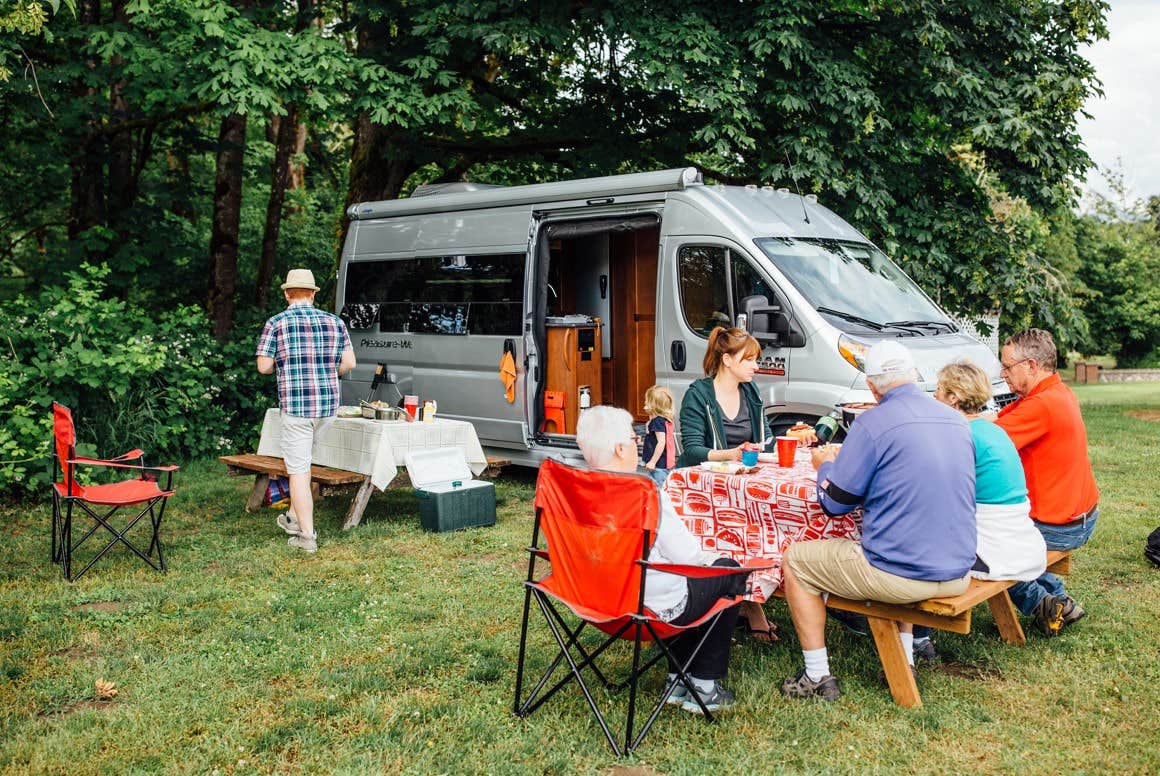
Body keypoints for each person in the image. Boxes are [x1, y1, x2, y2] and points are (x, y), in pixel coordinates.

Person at [779, 341, 976, 700]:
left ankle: (817, 675)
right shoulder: (956, 420)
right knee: (905, 535)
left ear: (871, 387)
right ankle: (907, 658)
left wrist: (825, 466)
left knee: (796, 561)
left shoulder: (871, 423)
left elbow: (835, 504)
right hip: (959, 569)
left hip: (904, 574)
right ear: (914, 375)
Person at [575, 406, 746, 714]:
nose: (638, 444)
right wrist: (717, 555)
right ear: (619, 448)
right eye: (634, 438)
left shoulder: (572, 494)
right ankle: (704, 686)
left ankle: (676, 680)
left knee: (675, 576)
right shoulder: (644, 495)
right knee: (727, 571)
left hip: (594, 602)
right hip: (647, 609)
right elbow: (688, 557)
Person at [907, 360, 1049, 658]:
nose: (934, 396)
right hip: (1019, 541)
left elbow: (935, 496)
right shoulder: (989, 429)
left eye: (939, 390)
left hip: (993, 551)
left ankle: (916, 637)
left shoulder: (959, 435)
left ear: (953, 398)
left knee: (912, 544)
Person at [993, 328, 1099, 635]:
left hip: (1059, 526)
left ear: (1031, 365)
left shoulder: (1041, 405)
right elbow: (997, 421)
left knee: (985, 548)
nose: (1002, 374)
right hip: (1079, 516)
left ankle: (1042, 603)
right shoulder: (1056, 392)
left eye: (1007, 366)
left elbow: (988, 441)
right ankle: (1060, 601)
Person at [676, 326, 777, 641]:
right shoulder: (698, 395)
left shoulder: (751, 392)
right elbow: (692, 450)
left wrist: (775, 444)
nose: (756, 366)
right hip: (702, 488)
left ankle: (748, 597)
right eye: (749, 359)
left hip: (742, 483)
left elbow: (767, 438)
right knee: (739, 525)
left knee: (765, 520)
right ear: (727, 360)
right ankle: (747, 605)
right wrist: (732, 454)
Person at [256, 269, 356, 553]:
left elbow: (264, 367)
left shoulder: (277, 323)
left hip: (297, 407)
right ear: (312, 294)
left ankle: (306, 537)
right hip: (327, 407)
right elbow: (349, 363)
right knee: (305, 464)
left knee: (298, 471)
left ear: (287, 294)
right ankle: (293, 517)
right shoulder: (334, 322)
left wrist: (284, 364)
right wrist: (326, 371)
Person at [641, 385, 677, 486]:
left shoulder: (657, 422)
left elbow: (661, 442)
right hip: (664, 463)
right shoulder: (665, 420)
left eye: (647, 401)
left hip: (658, 465)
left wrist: (653, 461)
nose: (645, 402)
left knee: (658, 488)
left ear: (652, 404)